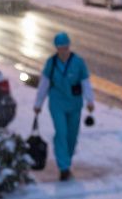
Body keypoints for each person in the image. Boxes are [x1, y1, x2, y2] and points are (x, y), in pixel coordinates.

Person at [34, 32, 94, 181]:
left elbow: (85, 82)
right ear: (56, 48)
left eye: (65, 47)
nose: (63, 51)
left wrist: (90, 101)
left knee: (72, 135)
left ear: (69, 47)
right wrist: (38, 103)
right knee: (61, 132)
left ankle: (67, 158)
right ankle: (63, 167)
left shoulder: (78, 62)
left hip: (74, 103)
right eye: (60, 48)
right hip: (57, 102)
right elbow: (44, 84)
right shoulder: (51, 63)